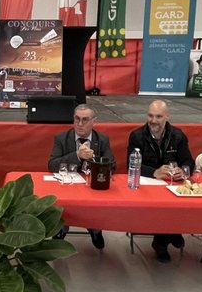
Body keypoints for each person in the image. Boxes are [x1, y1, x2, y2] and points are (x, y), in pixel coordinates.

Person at [127, 100, 192, 263]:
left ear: (167, 117)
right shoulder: (137, 135)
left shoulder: (178, 135)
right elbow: (131, 164)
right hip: (147, 185)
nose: (153, 120)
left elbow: (188, 162)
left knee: (180, 202)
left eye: (158, 116)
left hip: (172, 185)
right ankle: (164, 239)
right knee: (162, 205)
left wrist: (182, 172)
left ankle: (167, 235)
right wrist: (154, 172)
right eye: (150, 115)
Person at [48, 104, 113, 249]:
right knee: (61, 202)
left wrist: (93, 159)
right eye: (77, 119)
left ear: (93, 121)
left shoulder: (102, 139)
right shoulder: (62, 138)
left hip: (92, 187)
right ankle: (61, 228)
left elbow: (112, 166)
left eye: (85, 120)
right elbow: (52, 165)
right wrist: (76, 155)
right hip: (67, 185)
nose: (80, 124)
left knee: (97, 201)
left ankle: (95, 228)